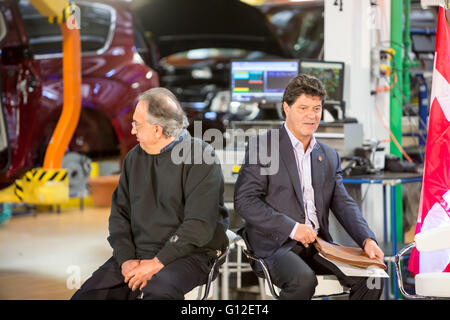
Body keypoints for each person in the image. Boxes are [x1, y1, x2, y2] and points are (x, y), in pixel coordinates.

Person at [234, 74, 384, 300]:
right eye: (303, 108)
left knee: (373, 279)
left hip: (318, 245)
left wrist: (367, 239)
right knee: (303, 281)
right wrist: (293, 228)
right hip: (275, 244)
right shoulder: (264, 146)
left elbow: (342, 203)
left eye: (316, 108)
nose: (311, 115)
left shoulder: (329, 155)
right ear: (286, 108)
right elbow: (245, 202)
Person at [72, 87, 229, 300]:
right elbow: (120, 217)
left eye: (137, 124)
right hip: (137, 254)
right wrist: (127, 259)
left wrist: (156, 263)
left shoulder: (201, 157)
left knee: (158, 292)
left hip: (191, 254)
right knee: (88, 296)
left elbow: (198, 226)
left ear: (157, 130)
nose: (132, 130)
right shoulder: (133, 158)